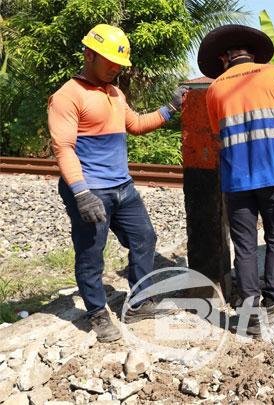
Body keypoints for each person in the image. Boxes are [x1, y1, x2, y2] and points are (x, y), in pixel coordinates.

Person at [48, 24, 185, 342]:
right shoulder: (68, 96)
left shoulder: (114, 93)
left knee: (145, 238)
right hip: (90, 189)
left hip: (123, 187)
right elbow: (63, 148)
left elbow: (135, 124)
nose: (115, 68)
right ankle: (96, 312)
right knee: (91, 252)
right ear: (89, 54)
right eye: (109, 61)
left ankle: (139, 303)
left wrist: (171, 108)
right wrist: (81, 194)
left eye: (119, 64)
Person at [199, 24, 274, 336]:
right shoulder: (273, 74)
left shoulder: (214, 89)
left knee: (244, 245)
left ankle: (250, 316)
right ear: (253, 54)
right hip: (273, 176)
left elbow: (218, 136)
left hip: (236, 180)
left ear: (224, 58)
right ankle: (272, 301)